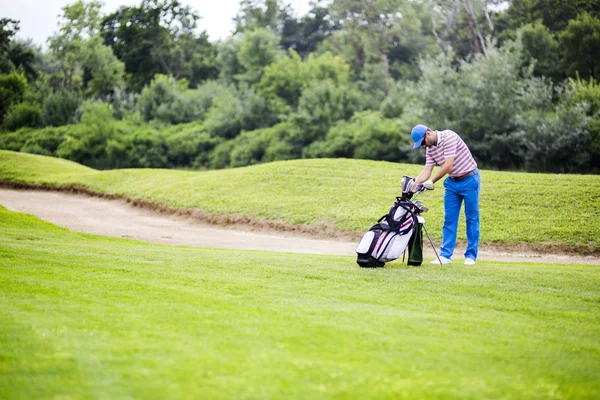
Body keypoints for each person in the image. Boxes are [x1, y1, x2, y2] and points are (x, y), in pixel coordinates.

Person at [409, 124, 480, 265]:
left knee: (472, 218)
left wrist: (432, 182)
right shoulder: (430, 149)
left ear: (428, 134)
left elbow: (448, 165)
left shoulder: (449, 137)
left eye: (422, 142)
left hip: (469, 179)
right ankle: (445, 256)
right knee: (449, 219)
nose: (423, 146)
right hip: (452, 183)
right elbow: (427, 170)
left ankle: (470, 256)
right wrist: (414, 184)